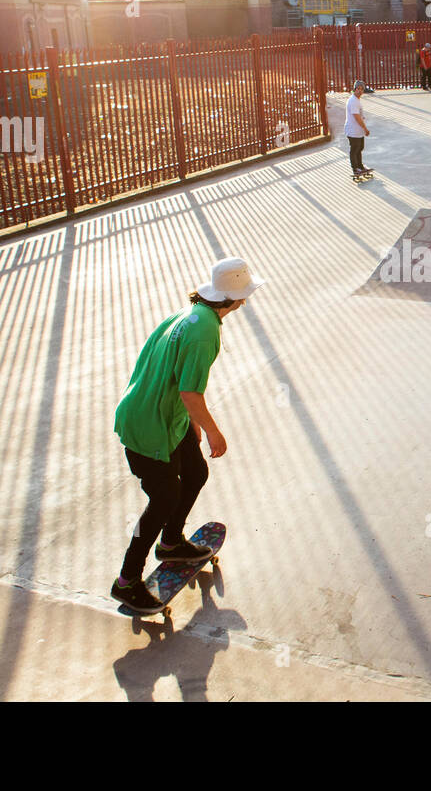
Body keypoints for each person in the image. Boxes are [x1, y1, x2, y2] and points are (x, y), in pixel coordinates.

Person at [110, 256, 265, 615]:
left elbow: (170, 375)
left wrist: (190, 422)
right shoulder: (205, 330)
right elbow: (190, 394)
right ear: (237, 298)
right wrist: (214, 431)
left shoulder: (190, 313)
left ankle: (172, 542)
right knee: (162, 500)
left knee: (195, 474)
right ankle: (128, 580)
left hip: (167, 417)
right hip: (148, 425)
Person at [344, 79, 372, 180]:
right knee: (355, 149)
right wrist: (365, 128)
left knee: (360, 148)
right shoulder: (353, 101)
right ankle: (355, 168)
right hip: (353, 130)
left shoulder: (356, 100)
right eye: (358, 89)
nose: (360, 91)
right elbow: (356, 116)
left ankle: (360, 166)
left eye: (362, 89)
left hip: (357, 130)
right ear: (354, 89)